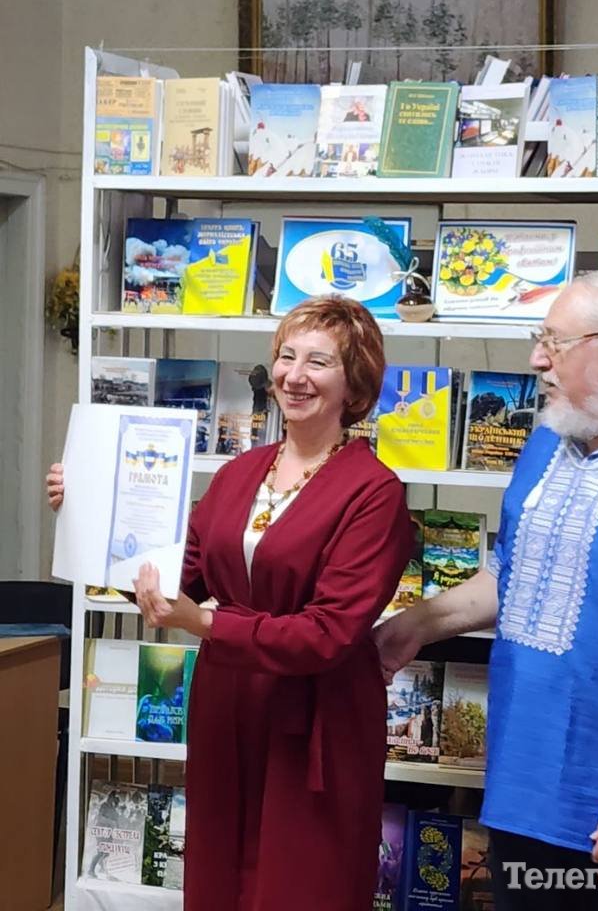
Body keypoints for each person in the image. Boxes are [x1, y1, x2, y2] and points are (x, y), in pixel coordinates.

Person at [48, 296, 415, 911]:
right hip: (226, 703)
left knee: (303, 885)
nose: (295, 376)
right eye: (287, 356)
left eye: (319, 362)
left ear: (355, 385)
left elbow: (327, 633)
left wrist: (206, 623)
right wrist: (87, 507)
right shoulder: (239, 473)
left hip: (317, 717)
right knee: (219, 875)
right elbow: (177, 581)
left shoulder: (374, 492)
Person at [376, 272, 598, 907]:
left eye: (554, 342)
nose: (537, 359)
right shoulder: (545, 445)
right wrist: (415, 625)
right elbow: (513, 576)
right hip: (521, 798)